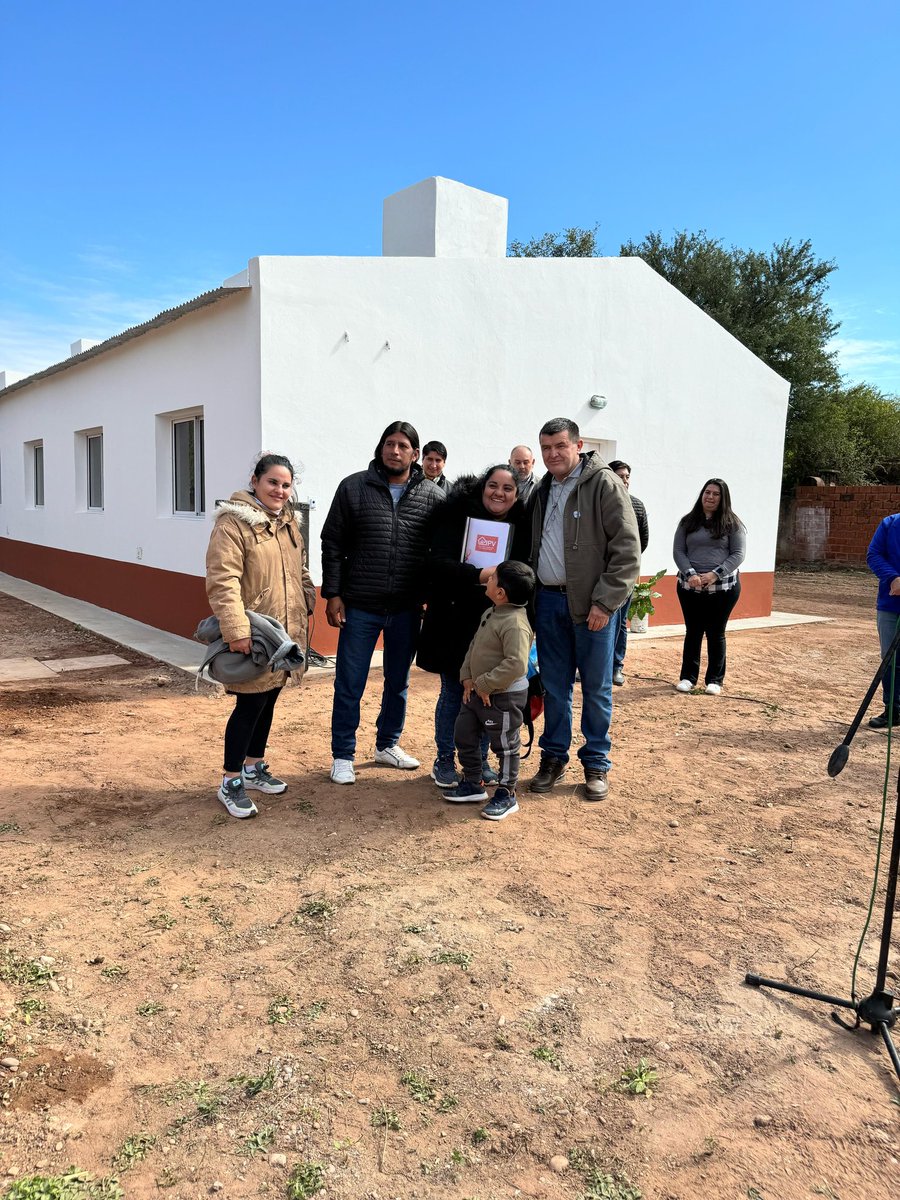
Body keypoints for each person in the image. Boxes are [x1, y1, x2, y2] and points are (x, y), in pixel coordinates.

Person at [322, 421, 445, 783]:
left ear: (415, 454)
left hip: (407, 608)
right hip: (360, 605)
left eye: (403, 446)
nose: (395, 450)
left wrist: (431, 597)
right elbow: (332, 542)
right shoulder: (353, 487)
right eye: (389, 443)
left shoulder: (433, 497)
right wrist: (333, 593)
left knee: (398, 682)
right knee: (349, 682)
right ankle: (342, 754)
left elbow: (441, 551)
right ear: (380, 448)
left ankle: (387, 744)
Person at [527, 419, 641, 801]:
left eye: (560, 446)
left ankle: (595, 763)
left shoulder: (603, 484)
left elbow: (627, 551)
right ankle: (553, 758)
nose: (552, 454)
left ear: (578, 445)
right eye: (546, 448)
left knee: (596, 688)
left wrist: (605, 602)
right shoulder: (542, 489)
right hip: (548, 602)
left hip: (593, 607)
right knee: (555, 687)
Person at [205, 453, 316, 819]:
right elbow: (223, 580)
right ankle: (231, 780)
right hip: (255, 632)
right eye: (272, 482)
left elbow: (299, 568)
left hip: (284, 632)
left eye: (286, 485)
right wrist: (236, 630)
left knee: (269, 698)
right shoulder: (233, 524)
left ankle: (253, 766)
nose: (280, 490)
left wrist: (307, 596)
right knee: (250, 703)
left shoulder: (288, 522)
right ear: (255, 481)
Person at [417, 465, 532, 787]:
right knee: (453, 692)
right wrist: (478, 575)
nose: (499, 493)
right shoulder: (455, 515)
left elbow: (525, 575)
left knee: (487, 694)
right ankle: (444, 760)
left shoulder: (522, 527)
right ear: (483, 487)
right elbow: (437, 564)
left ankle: (479, 762)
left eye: (507, 488)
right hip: (452, 621)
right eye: (493, 485)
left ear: (517, 494)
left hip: (495, 625)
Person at [443, 560, 536, 821]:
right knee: (464, 734)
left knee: (505, 744)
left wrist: (485, 683)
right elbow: (475, 646)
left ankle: (507, 793)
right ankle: (473, 782)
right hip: (475, 693)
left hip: (503, 697)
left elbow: (516, 664)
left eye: (493, 577)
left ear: (500, 592)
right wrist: (466, 676)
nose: (488, 578)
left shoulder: (515, 623)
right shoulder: (491, 612)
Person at [672, 478, 746, 695]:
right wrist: (691, 574)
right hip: (690, 586)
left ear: (723, 498)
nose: (710, 497)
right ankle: (688, 678)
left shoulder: (733, 524)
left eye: (716, 494)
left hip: (723, 588)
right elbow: (678, 551)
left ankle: (715, 680)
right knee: (693, 632)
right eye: (707, 492)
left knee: (716, 633)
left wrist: (715, 574)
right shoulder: (688, 522)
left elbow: (738, 554)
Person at [607, 460, 650, 686]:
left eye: (627, 476)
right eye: (620, 476)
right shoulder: (600, 503)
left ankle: (616, 667)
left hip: (624, 576)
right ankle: (593, 667)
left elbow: (642, 542)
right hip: (598, 573)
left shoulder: (637, 506)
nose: (624, 480)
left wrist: (624, 564)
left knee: (620, 623)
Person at [866, 513, 900, 728]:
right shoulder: (890, 523)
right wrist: (893, 577)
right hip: (890, 604)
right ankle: (893, 710)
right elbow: (874, 555)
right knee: (890, 659)